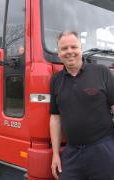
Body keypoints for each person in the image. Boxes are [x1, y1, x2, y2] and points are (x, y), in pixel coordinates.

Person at [49, 31, 114, 180]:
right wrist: (55, 154)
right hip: (71, 152)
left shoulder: (102, 72)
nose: (69, 52)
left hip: (102, 148)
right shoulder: (55, 81)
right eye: (64, 49)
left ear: (81, 49)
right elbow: (55, 118)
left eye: (73, 47)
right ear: (58, 53)